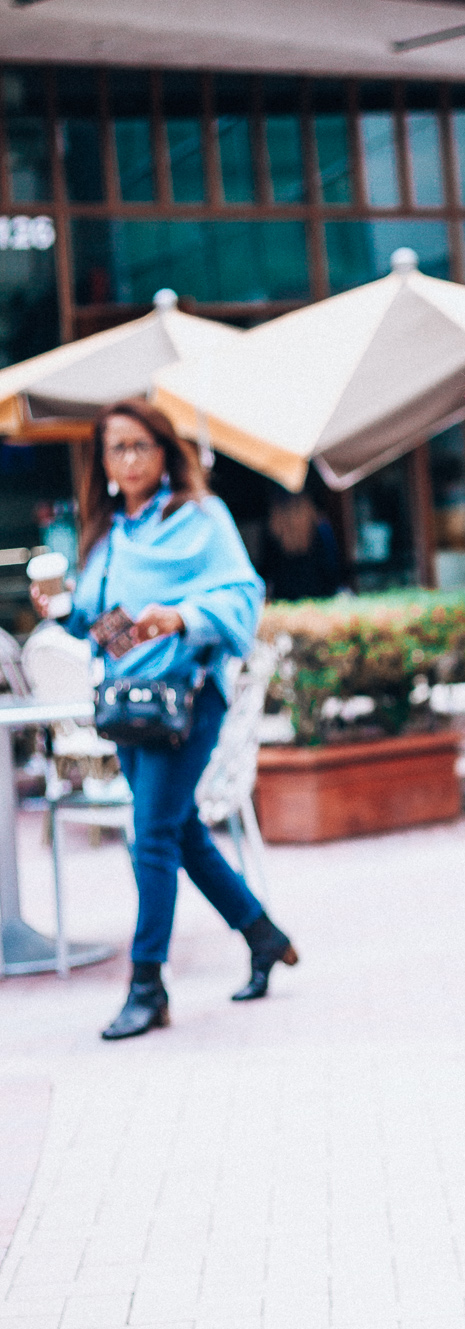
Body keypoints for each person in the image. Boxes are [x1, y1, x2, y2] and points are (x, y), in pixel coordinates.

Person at [33, 400, 298, 1039]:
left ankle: (146, 984)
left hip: (187, 697)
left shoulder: (200, 517)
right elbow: (113, 630)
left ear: (164, 452)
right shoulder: (111, 532)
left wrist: (180, 617)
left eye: (139, 446)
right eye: (115, 448)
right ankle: (263, 936)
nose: (127, 460)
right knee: (178, 833)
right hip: (128, 703)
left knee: (148, 834)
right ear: (102, 460)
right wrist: (64, 612)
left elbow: (240, 593)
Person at [260, 489, 342, 600]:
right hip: (319, 595)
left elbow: (267, 571)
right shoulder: (319, 526)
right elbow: (331, 565)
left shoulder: (272, 529)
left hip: (285, 597)